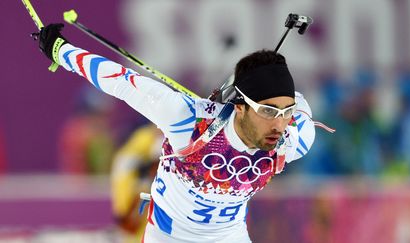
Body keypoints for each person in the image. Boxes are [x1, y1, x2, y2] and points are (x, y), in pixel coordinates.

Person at [34, 23, 316, 243]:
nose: (279, 125)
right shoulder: (187, 119)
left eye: (285, 112)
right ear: (240, 107)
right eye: (267, 111)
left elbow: (300, 105)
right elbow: (120, 81)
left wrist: (276, 94)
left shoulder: (292, 141)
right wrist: (60, 51)